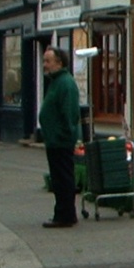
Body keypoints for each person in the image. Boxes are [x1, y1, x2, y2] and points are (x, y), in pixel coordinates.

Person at [39, 46, 81, 228]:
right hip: (54, 140)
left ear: (59, 62)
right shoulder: (55, 82)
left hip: (61, 141)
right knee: (58, 178)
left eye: (48, 61)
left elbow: (70, 113)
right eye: (44, 61)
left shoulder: (65, 83)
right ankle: (63, 212)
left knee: (63, 178)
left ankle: (65, 214)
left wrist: (65, 133)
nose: (44, 65)